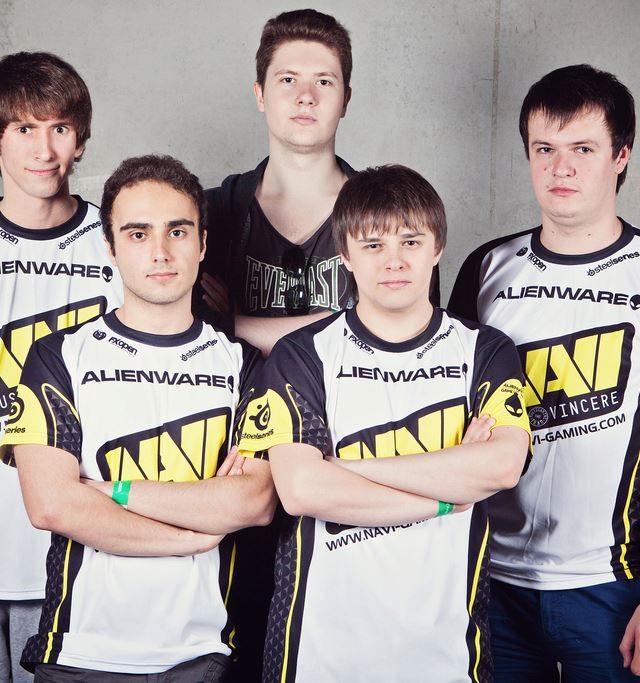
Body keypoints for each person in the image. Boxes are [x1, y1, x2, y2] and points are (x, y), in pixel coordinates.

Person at [238, 164, 530, 681]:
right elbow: (302, 490)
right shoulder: (301, 355)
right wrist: (448, 494)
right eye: (373, 245)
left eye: (410, 241)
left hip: (446, 654)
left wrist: (342, 467)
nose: (394, 261)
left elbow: (503, 466)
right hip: (319, 657)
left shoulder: (485, 350)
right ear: (346, 255)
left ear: (437, 247)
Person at [1, 155, 276, 681]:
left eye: (178, 231)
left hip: (203, 654)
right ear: (109, 247)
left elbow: (254, 501)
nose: (160, 251)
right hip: (79, 653)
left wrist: (109, 492)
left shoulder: (243, 365)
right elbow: (53, 505)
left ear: (202, 244)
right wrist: (191, 536)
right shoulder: (57, 356)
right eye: (137, 233)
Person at [449, 64, 640, 681]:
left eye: (583, 149)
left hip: (613, 585)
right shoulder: (487, 267)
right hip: (493, 579)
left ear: (620, 156)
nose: (562, 168)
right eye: (544, 149)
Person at [196, 9, 439, 354]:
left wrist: (232, 325)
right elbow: (182, 334)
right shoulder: (210, 213)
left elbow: (409, 335)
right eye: (288, 80)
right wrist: (347, 321)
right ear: (260, 94)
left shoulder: (396, 214)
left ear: (345, 100)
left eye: (324, 81)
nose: (306, 96)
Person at [0, 51, 123, 683]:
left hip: (77, 554)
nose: (44, 149)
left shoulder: (122, 243)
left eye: (60, 128)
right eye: (24, 128)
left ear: (81, 137)